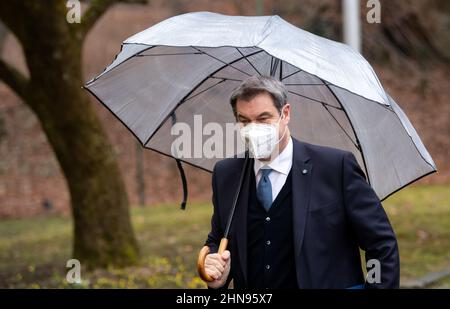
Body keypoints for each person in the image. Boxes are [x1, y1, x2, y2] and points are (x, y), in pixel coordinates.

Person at [203, 75, 399, 289]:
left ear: (285, 114)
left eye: (263, 119)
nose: (253, 129)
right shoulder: (227, 174)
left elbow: (380, 244)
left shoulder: (335, 167)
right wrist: (215, 274)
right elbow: (218, 240)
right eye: (245, 121)